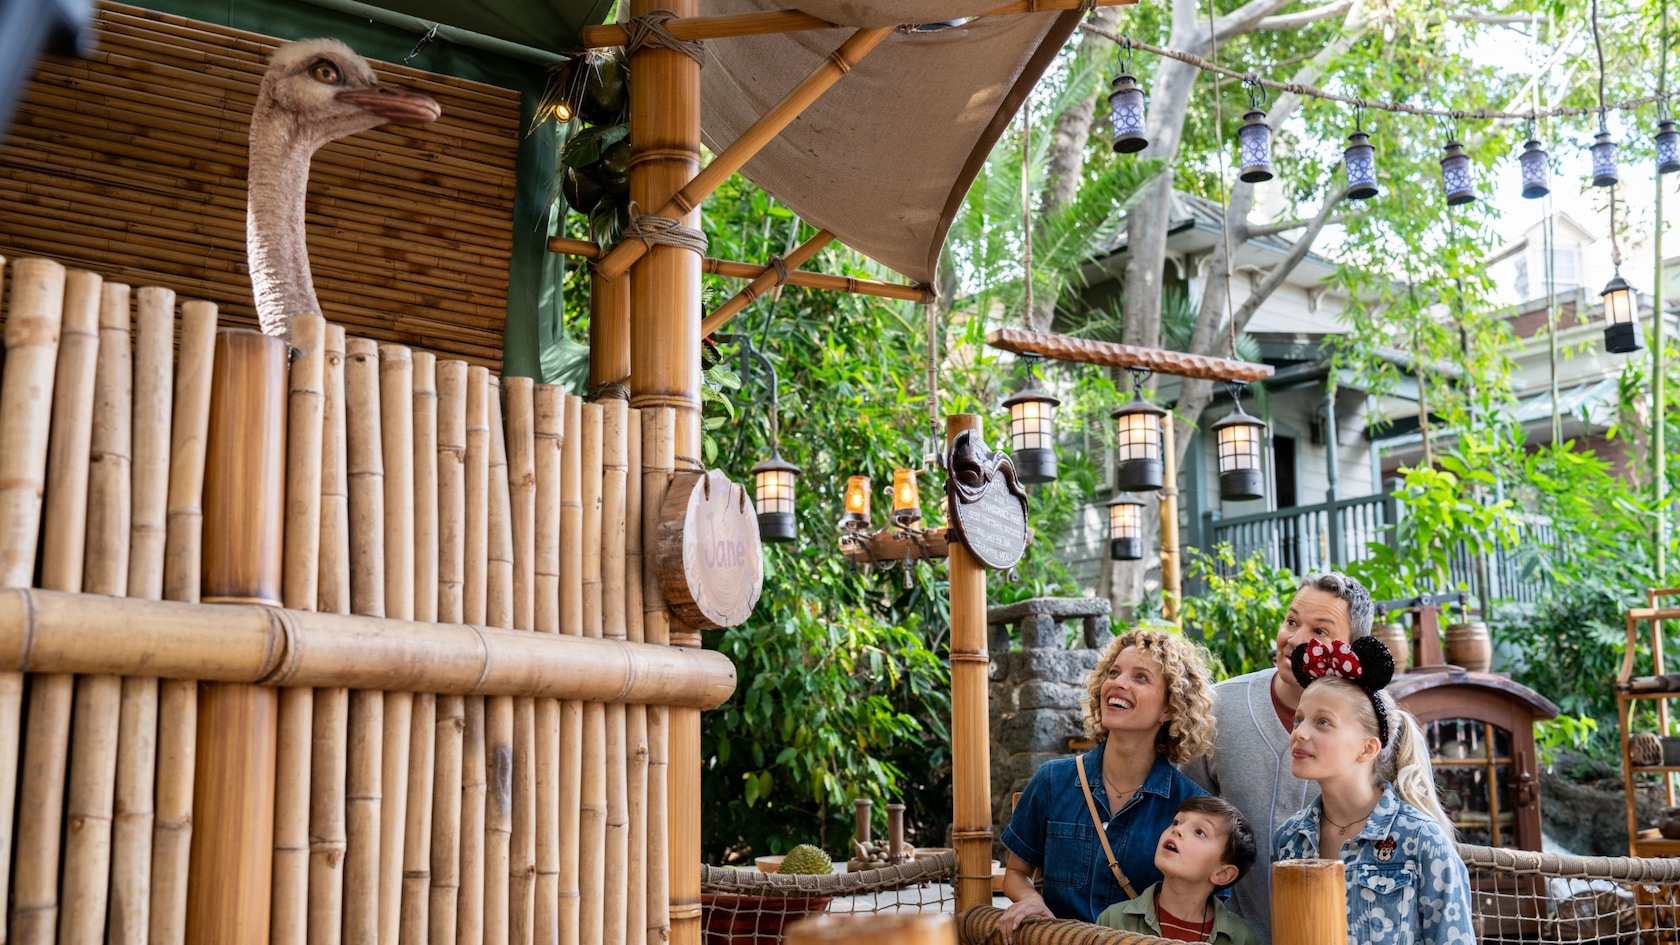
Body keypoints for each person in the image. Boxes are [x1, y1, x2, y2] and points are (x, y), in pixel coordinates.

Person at [1183, 571, 1377, 941]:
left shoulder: (1380, 722)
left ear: (1352, 647)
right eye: (1291, 621)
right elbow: (1190, 816)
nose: (1295, 639)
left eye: (1320, 631)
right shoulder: (1218, 708)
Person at [997, 628, 1217, 940]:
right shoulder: (1052, 780)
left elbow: (1206, 909)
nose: (1118, 683)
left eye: (1140, 677)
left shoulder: (1190, 808)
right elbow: (1017, 873)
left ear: (1170, 708)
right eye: (1114, 673)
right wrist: (1031, 898)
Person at [1273, 636, 1474, 945]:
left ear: (1368, 748)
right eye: (1299, 719)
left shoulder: (1421, 841)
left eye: (1322, 722)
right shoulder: (1287, 842)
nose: (1298, 733)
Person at [1095, 795, 1263, 945]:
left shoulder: (1242, 939)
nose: (1177, 830)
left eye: (1200, 832)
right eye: (1176, 822)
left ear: (1222, 874)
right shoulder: (1113, 921)